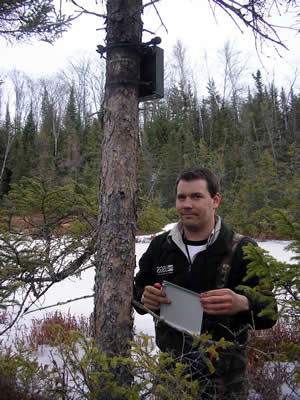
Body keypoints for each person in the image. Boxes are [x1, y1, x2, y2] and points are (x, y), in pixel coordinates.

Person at [133, 167, 277, 399]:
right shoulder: (160, 246)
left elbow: (269, 312)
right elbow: (138, 288)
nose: (186, 204)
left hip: (227, 380)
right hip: (172, 374)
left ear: (215, 199)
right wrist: (144, 297)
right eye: (182, 197)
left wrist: (243, 303)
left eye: (196, 196)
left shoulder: (242, 248)